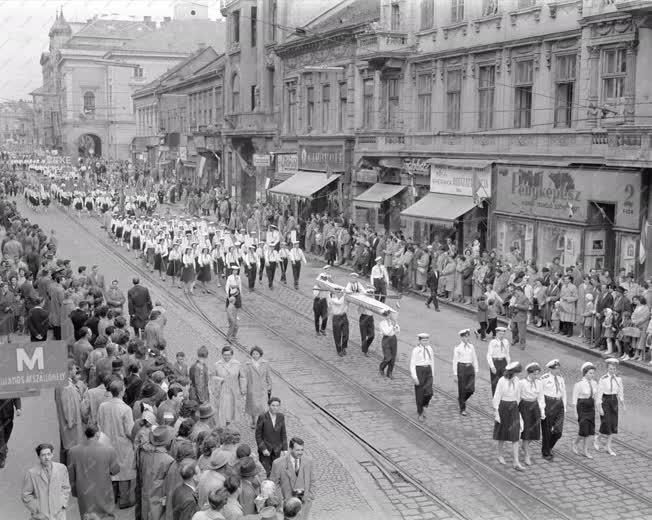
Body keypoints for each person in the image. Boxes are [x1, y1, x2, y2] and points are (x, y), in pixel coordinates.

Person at [97, 379, 136, 508]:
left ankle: (112, 498)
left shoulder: (103, 406)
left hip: (106, 442)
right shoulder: (126, 409)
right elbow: (129, 431)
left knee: (111, 471)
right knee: (124, 472)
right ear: (122, 391)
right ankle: (124, 500)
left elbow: (98, 425)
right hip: (123, 445)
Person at [67, 424, 120, 519]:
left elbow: (71, 475)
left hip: (84, 494)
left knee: (87, 516)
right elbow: (115, 470)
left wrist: (75, 492)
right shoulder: (109, 450)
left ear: (85, 434)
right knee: (106, 516)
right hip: (104, 492)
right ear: (97, 434)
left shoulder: (72, 451)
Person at [22, 443, 70, 520]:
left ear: (52, 455)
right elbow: (26, 495)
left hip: (59, 514)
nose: (47, 457)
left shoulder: (62, 468)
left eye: (49, 454)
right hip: (41, 515)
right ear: (38, 457)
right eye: (43, 455)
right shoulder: (32, 473)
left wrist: (63, 504)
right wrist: (36, 508)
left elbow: (66, 488)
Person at [136, 426, 175, 520]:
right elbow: (170, 485)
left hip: (145, 491)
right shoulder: (168, 460)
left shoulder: (143, 453)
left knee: (145, 513)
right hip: (159, 496)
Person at [270, 437, 314, 519]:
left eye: (302, 450)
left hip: (304, 504)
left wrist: (310, 496)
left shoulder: (309, 461)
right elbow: (274, 485)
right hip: (288, 507)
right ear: (290, 449)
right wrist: (282, 501)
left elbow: (312, 480)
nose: (301, 453)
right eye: (298, 450)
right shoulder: (278, 463)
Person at [492, 361, 524, 471]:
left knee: (515, 434)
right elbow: (497, 397)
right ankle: (500, 454)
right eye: (516, 372)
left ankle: (516, 461)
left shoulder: (517, 381)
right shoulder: (502, 381)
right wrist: (497, 412)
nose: (517, 375)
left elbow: (518, 396)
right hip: (503, 407)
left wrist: (517, 410)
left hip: (514, 407)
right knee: (502, 433)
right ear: (512, 372)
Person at [54, 360, 84, 466]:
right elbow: (68, 409)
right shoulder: (67, 387)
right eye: (75, 368)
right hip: (70, 427)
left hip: (66, 425)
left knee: (66, 448)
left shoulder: (62, 383)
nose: (76, 370)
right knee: (70, 450)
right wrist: (71, 422)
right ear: (69, 370)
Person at [594, 358, 625, 456]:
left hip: (614, 402)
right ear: (607, 369)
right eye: (611, 369)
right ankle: (598, 438)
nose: (612, 370)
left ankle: (608, 446)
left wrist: (623, 404)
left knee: (613, 424)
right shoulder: (603, 379)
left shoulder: (618, 379)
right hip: (605, 401)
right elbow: (599, 394)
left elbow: (620, 392)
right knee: (606, 423)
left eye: (614, 369)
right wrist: (599, 407)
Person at [211, 345, 245, 427]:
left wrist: (243, 389)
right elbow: (212, 377)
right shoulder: (217, 365)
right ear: (222, 355)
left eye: (228, 355)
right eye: (225, 355)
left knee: (231, 411)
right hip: (222, 391)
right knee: (223, 411)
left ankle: (228, 425)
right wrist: (219, 380)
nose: (227, 357)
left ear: (232, 355)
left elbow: (242, 377)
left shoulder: (237, 364)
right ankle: (224, 426)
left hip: (233, 391)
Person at [518, 362, 545, 466]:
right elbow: (518, 397)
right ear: (529, 373)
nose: (536, 376)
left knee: (534, 433)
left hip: (535, 407)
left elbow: (541, 397)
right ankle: (526, 455)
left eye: (537, 374)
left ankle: (524, 446)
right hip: (524, 407)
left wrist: (542, 410)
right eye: (534, 374)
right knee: (527, 432)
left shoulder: (539, 383)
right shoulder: (522, 383)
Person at [540, 359, 566, 460]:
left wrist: (564, 406)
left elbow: (563, 393)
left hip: (559, 404)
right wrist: (542, 408)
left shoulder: (560, 378)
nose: (558, 370)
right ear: (550, 369)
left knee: (558, 431)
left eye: (559, 368)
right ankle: (546, 452)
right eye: (556, 369)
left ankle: (549, 446)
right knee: (547, 430)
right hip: (548, 403)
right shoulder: (544, 378)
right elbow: (540, 394)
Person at [256, 396, 288, 477]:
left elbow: (283, 433)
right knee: (265, 472)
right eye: (273, 405)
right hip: (265, 451)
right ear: (269, 406)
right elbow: (258, 435)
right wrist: (263, 449)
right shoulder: (262, 417)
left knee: (275, 471)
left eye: (277, 406)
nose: (275, 408)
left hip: (277, 450)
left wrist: (285, 449)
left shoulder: (281, 417)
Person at [572, 362, 598, 459]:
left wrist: (598, 408)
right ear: (585, 373)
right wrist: (575, 412)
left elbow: (596, 396)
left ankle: (585, 450)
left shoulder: (594, 383)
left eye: (593, 373)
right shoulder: (579, 384)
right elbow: (574, 399)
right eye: (590, 373)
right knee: (583, 430)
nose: (592, 375)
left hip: (591, 407)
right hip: (582, 407)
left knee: (590, 431)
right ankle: (575, 443)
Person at [243, 346, 273, 429]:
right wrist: (244, 389)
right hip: (252, 389)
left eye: (257, 354)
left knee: (263, 407)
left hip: (262, 389)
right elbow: (244, 377)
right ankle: (253, 421)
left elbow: (268, 375)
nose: (255, 355)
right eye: (253, 354)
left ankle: (262, 422)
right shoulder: (247, 364)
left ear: (260, 355)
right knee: (253, 406)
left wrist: (269, 385)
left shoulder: (265, 363)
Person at [346, 273, 375, 356]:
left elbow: (362, 290)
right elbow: (350, 291)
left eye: (372, 292)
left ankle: (365, 346)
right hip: (363, 317)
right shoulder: (362, 298)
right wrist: (362, 295)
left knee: (372, 336)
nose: (371, 294)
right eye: (370, 292)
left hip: (370, 318)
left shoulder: (372, 298)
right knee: (363, 335)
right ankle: (365, 350)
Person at [453, 329, 479, 416]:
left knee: (471, 389)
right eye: (464, 337)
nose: (466, 338)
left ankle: (461, 399)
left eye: (468, 336)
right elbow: (455, 361)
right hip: (462, 368)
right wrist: (455, 374)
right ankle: (462, 408)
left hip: (470, 368)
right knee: (462, 389)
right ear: (461, 337)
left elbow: (474, 358)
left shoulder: (471, 346)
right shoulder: (457, 348)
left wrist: (476, 370)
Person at [409, 333, 435, 421]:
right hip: (419, 371)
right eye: (423, 340)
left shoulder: (430, 349)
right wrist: (414, 377)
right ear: (419, 341)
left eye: (427, 340)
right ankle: (420, 412)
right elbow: (412, 364)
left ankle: (424, 404)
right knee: (419, 393)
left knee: (429, 392)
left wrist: (432, 374)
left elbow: (432, 362)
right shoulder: (416, 350)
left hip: (428, 370)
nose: (425, 342)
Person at [486, 327, 511, 395]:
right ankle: (495, 399)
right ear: (496, 334)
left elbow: (507, 354)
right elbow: (489, 355)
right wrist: (492, 366)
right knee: (495, 382)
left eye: (503, 334)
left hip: (503, 362)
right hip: (495, 362)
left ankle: (502, 398)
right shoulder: (493, 342)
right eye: (500, 334)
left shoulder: (506, 342)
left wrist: (509, 365)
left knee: (504, 381)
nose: (501, 336)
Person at [328, 287, 349, 357]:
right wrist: (345, 294)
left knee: (346, 334)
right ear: (335, 293)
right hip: (336, 318)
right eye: (338, 293)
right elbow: (339, 302)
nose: (339, 294)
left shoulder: (345, 298)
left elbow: (350, 300)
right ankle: (339, 350)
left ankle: (343, 347)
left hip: (344, 316)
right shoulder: (333, 300)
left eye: (340, 292)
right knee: (337, 335)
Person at [378, 310, 399, 379]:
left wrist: (396, 325)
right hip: (386, 340)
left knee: (393, 357)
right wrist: (392, 326)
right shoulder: (381, 323)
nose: (388, 317)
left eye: (389, 315)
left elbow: (398, 331)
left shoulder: (391, 321)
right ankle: (381, 367)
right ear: (384, 316)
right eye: (386, 315)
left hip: (393, 339)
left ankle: (389, 373)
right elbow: (386, 332)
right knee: (388, 357)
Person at [0, 397, 20, 468]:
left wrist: (18, 408)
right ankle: (2, 458)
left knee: (6, 435)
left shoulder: (10, 385)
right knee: (1, 438)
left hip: (8, 415)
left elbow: (16, 396)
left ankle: (3, 446)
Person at [509, 285, 529, 350]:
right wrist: (512, 306)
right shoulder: (517, 297)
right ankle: (515, 339)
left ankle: (522, 344)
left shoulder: (525, 298)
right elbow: (515, 305)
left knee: (522, 331)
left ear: (519, 291)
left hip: (521, 317)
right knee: (513, 328)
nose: (515, 293)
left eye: (516, 292)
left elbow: (526, 308)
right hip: (515, 316)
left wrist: (517, 305)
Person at [312, 270, 330, 336]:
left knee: (325, 317)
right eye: (323, 278)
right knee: (317, 317)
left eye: (325, 278)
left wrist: (328, 304)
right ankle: (317, 331)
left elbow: (328, 295)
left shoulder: (327, 286)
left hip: (324, 302)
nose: (324, 279)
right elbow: (315, 295)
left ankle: (323, 329)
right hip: (317, 302)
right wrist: (320, 289)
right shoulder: (316, 286)